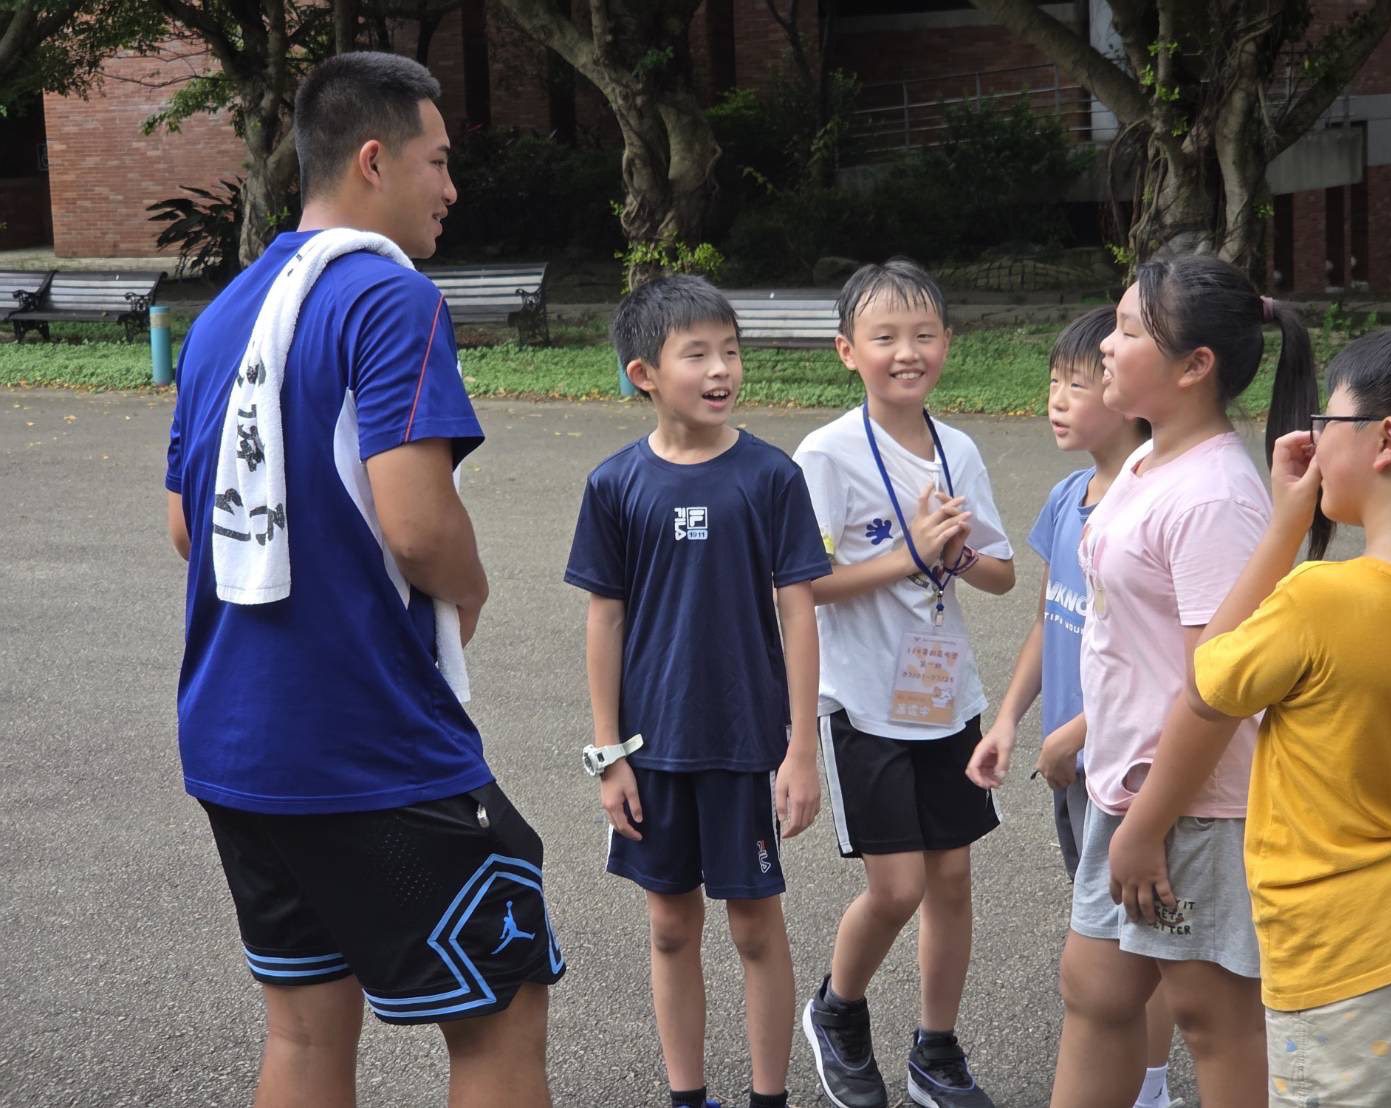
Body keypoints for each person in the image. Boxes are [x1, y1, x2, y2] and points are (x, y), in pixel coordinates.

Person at [164, 52, 562, 1108]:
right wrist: (466, 589)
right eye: (438, 162)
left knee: (303, 1025)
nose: (451, 189)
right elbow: (418, 523)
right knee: (502, 1004)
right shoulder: (388, 296)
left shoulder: (218, 318)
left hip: (233, 740)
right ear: (374, 160)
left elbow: (181, 523)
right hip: (367, 741)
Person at [1109, 325, 1391, 1108]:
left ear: (1383, 440)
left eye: (1325, 424)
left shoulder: (1317, 601)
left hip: (1345, 955)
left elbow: (1207, 674)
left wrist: (1285, 523)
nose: (1309, 439)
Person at [1047, 256, 1319, 1108]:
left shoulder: (1214, 500)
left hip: (1192, 801)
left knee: (1210, 1018)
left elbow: (1221, 684)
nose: (1105, 347)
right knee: (1095, 991)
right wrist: (1085, 734)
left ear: (1193, 367)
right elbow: (1137, 641)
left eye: (1128, 332)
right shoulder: (1145, 461)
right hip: (1132, 787)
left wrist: (1145, 824)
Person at [564, 274, 830, 1108]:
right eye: (698, 354)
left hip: (745, 743)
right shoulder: (615, 485)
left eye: (731, 351)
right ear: (644, 373)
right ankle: (687, 1097)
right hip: (651, 749)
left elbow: (800, 617)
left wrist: (800, 747)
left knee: (754, 926)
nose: (722, 370)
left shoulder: (769, 477)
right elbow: (603, 623)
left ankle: (768, 1098)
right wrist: (607, 753)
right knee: (670, 927)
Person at [793, 258, 1016, 1108]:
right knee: (896, 887)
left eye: (923, 334)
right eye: (884, 337)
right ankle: (837, 1011)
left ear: (947, 343)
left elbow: (996, 575)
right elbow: (801, 582)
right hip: (861, 700)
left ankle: (936, 1049)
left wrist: (954, 553)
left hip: (944, 693)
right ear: (848, 351)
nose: (906, 352)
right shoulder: (827, 453)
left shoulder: (956, 448)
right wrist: (908, 557)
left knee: (952, 879)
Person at [966, 307, 1178, 1108]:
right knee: (1113, 937)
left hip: (1123, 768)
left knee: (1137, 941)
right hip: (1068, 763)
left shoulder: (1149, 500)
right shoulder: (1065, 496)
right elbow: (1047, 613)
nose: (1055, 398)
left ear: (1126, 394)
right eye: (1051, 381)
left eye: (1076, 384)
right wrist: (1010, 719)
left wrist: (1075, 735)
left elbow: (1170, 664)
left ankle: (1149, 1088)